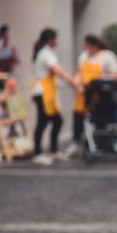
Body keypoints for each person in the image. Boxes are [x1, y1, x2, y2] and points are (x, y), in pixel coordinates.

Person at [30, 28, 80, 165]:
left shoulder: (45, 52)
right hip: (42, 92)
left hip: (45, 92)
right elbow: (60, 72)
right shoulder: (46, 54)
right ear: (51, 39)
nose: (58, 41)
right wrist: (75, 85)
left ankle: (53, 151)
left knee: (54, 121)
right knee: (44, 122)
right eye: (56, 38)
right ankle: (39, 153)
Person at [65, 34, 117, 156]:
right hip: (83, 93)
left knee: (99, 119)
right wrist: (77, 84)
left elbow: (114, 75)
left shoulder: (107, 56)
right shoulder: (84, 56)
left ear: (93, 46)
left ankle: (100, 142)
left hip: (100, 95)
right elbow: (79, 73)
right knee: (78, 116)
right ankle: (76, 142)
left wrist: (100, 79)